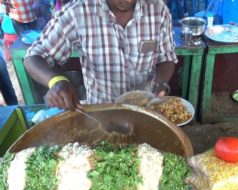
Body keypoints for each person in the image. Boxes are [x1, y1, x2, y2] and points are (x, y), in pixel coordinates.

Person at [24, 0, 177, 110]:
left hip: (145, 109)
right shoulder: (77, 12)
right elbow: (34, 57)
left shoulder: (159, 11)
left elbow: (167, 56)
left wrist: (161, 83)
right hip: (100, 112)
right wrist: (57, 81)